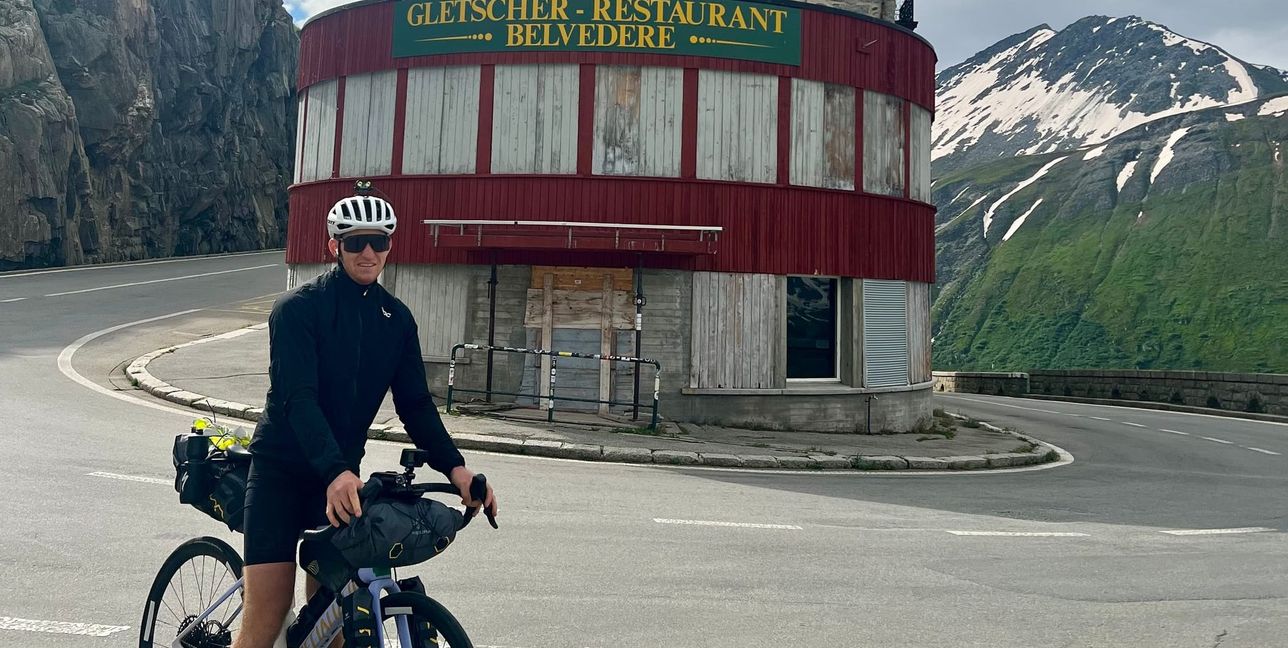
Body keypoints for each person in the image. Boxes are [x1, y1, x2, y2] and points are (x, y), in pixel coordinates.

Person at [234, 184, 498, 648]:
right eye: (355, 241)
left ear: (391, 247)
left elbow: (415, 404)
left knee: (331, 629)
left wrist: (457, 468)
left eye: (379, 241)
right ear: (334, 246)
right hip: (282, 473)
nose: (368, 251)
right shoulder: (297, 310)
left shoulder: (396, 320)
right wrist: (335, 469)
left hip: (341, 484)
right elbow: (298, 399)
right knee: (265, 624)